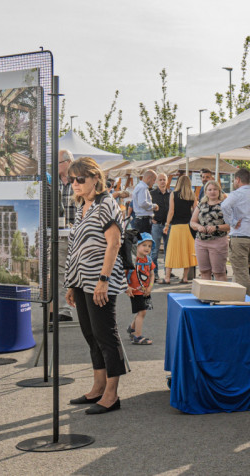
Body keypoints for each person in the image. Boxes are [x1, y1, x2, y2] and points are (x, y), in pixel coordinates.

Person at [64, 156, 126, 415]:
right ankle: (98, 387)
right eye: (72, 179)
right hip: (81, 280)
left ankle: (112, 394)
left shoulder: (105, 204)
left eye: (81, 179)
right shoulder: (84, 206)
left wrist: (103, 280)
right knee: (90, 335)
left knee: (105, 335)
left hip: (99, 280)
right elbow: (76, 246)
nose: (75, 184)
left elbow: (114, 244)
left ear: (95, 179)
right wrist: (71, 283)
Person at [222, 168, 250, 295]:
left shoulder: (237, 194)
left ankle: (247, 302)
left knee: (241, 273)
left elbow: (224, 206)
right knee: (240, 271)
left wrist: (232, 222)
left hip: (240, 236)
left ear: (237, 180)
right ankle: (236, 300)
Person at [190, 180, 230, 281]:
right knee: (204, 271)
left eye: (215, 189)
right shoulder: (201, 205)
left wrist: (217, 227)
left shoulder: (224, 205)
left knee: (219, 272)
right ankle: (206, 296)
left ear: (219, 191)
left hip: (218, 241)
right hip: (201, 241)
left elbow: (230, 225)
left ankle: (221, 296)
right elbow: (192, 222)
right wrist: (198, 227)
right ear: (206, 192)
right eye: (210, 189)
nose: (212, 192)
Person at [55, 150, 77, 324]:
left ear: (68, 162)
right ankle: (64, 309)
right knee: (61, 271)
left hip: (79, 234)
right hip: (60, 234)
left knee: (80, 271)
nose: (55, 166)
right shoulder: (52, 182)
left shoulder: (79, 180)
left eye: (58, 162)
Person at [164, 175, 197, 284]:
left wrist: (167, 224)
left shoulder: (173, 194)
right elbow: (195, 211)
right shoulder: (192, 195)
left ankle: (167, 277)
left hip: (176, 227)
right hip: (187, 227)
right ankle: (185, 278)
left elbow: (171, 211)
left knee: (171, 251)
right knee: (186, 252)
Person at [125, 233, 156, 345]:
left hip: (145, 291)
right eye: (144, 245)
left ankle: (132, 329)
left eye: (149, 246)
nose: (147, 248)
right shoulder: (132, 260)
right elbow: (123, 274)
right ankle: (137, 336)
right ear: (136, 246)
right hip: (135, 291)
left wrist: (150, 287)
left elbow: (152, 274)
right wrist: (126, 287)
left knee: (142, 311)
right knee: (142, 312)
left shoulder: (148, 260)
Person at [150, 172, 172, 283]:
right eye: (160, 179)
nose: (162, 181)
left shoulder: (171, 193)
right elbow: (145, 207)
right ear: (157, 181)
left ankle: (167, 273)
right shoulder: (152, 193)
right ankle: (154, 273)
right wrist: (151, 219)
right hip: (157, 225)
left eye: (164, 179)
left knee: (168, 250)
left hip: (168, 225)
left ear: (167, 181)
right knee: (155, 250)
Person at [130, 170, 158, 238]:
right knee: (145, 241)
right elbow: (142, 203)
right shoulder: (143, 188)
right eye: (153, 180)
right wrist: (154, 206)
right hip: (143, 221)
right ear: (148, 178)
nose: (154, 183)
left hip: (140, 219)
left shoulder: (139, 186)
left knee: (141, 242)